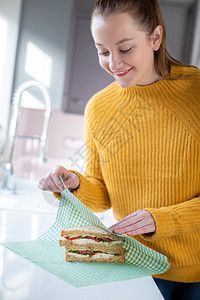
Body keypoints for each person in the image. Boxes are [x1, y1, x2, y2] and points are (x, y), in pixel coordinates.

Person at [38, 0, 200, 298]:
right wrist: (75, 184)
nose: (113, 63)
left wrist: (161, 220)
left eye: (124, 49)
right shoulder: (99, 108)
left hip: (195, 272)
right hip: (134, 266)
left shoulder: (195, 94)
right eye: (103, 51)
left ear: (155, 38)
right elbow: (102, 195)